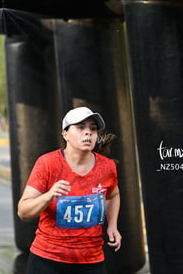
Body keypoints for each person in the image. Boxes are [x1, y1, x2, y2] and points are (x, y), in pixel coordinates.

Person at [17, 106, 122, 274]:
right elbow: (23, 211)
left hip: (91, 260)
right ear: (65, 134)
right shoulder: (47, 164)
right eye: (80, 128)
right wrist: (49, 196)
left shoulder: (107, 167)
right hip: (48, 259)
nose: (88, 133)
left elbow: (113, 194)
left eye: (93, 129)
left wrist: (113, 225)